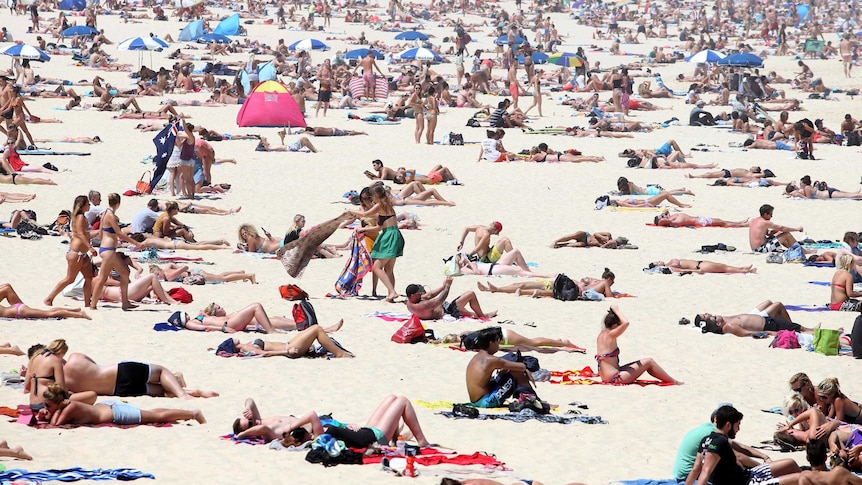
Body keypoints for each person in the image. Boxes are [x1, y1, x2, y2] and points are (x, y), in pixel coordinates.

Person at [686, 406, 801, 485]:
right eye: (737, 425)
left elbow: (696, 469)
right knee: (800, 478)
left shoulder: (706, 440)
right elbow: (705, 471)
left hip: (747, 475)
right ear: (728, 425)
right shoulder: (720, 442)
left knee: (790, 463)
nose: (738, 429)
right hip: (747, 483)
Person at [275, 395, 431, 449]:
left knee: (391, 398)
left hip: (366, 430)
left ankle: (396, 437)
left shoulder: (320, 433)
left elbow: (339, 430)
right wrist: (291, 427)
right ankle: (422, 441)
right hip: (376, 437)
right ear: (307, 436)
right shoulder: (319, 438)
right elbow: (311, 414)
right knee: (402, 401)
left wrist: (346, 425)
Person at [673, 403, 773, 481]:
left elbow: (739, 446)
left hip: (686, 473)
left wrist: (764, 457)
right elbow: (738, 456)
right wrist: (763, 468)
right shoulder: (713, 435)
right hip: (688, 475)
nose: (738, 428)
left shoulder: (709, 429)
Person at [61, 352, 217, 399]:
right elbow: (95, 365)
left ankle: (193, 392)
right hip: (119, 372)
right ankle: (183, 392)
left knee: (161, 392)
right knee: (162, 371)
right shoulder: (75, 358)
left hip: (118, 391)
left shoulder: (66, 386)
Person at [40, 384, 206, 426]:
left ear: (57, 402)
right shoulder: (66, 406)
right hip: (109, 407)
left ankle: (193, 413)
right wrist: (48, 413)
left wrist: (45, 416)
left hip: (117, 414)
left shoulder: (70, 407)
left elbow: (56, 424)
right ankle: (188, 413)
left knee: (156, 416)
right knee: (151, 412)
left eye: (48, 405)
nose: (46, 408)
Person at [596, 305, 681, 385]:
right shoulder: (611, 335)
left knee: (643, 363)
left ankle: (672, 380)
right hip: (614, 378)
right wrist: (616, 310)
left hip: (606, 376)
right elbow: (626, 323)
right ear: (615, 326)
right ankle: (673, 381)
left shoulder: (601, 335)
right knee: (649, 361)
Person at [348, 184, 403, 302]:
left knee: (376, 267)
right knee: (389, 269)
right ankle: (390, 294)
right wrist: (363, 229)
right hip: (394, 233)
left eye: (371, 196)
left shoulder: (380, 205)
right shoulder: (387, 204)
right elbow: (379, 227)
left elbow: (364, 214)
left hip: (389, 235)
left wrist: (349, 210)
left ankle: (392, 292)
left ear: (376, 195)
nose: (371, 199)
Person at [465, 327, 544, 408]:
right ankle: (533, 400)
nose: (498, 345)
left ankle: (527, 397)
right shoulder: (491, 360)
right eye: (497, 341)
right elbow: (521, 367)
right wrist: (525, 370)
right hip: (486, 401)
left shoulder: (477, 357)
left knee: (508, 371)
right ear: (491, 343)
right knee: (517, 373)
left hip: (476, 400)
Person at [89, 193, 140, 311]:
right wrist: (136, 243)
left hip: (107, 249)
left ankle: (125, 302)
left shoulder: (105, 213)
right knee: (102, 278)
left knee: (125, 273)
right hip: (109, 250)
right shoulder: (110, 215)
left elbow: (101, 232)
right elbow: (120, 233)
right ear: (118, 203)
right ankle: (93, 305)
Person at [44, 195, 97, 306]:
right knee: (70, 279)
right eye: (88, 204)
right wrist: (90, 247)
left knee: (89, 278)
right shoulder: (80, 217)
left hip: (81, 254)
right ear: (82, 206)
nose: (89, 205)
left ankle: (88, 303)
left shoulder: (80, 217)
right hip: (76, 253)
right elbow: (81, 234)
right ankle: (49, 298)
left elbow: (80, 234)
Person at [219, 322, 350, 358]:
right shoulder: (244, 347)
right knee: (316, 329)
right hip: (289, 349)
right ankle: (340, 354)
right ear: (232, 346)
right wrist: (287, 352)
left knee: (314, 328)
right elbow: (265, 353)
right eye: (231, 341)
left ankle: (338, 348)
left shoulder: (245, 345)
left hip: (288, 344)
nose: (233, 339)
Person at [694, 301, 818, 337]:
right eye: (709, 316)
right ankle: (809, 331)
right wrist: (769, 333)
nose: (708, 313)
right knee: (799, 329)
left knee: (772, 303)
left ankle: (793, 327)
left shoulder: (720, 323)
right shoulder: (729, 326)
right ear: (718, 323)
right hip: (767, 324)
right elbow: (747, 333)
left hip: (759, 320)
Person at [406, 277, 496, 320]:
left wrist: (443, 286)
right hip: (448, 310)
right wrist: (448, 286)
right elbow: (440, 299)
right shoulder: (422, 305)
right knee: (470, 294)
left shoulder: (410, 302)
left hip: (445, 308)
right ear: (413, 295)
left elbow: (429, 295)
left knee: (468, 312)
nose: (421, 294)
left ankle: (484, 314)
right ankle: (483, 316)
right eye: (419, 293)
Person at [0, 283, 90, 320]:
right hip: (17, 308)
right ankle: (74, 310)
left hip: (19, 312)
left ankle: (79, 314)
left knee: (49, 314)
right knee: (47, 312)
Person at [150, 263, 255, 285]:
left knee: (223, 279)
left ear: (159, 270)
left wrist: (183, 271)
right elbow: (171, 264)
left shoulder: (168, 275)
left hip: (196, 274)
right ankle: (240, 273)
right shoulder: (166, 269)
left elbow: (184, 268)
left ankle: (248, 276)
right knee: (219, 275)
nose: (158, 277)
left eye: (157, 274)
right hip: (196, 272)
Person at [654, 208, 749, 228]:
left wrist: (663, 214)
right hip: (700, 221)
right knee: (722, 223)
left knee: (721, 221)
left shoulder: (671, 218)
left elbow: (665, 210)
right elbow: (662, 221)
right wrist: (662, 218)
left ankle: (739, 222)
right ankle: (742, 225)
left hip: (699, 219)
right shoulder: (673, 221)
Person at [648, 259, 757, 274]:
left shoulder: (669, 262)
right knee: (723, 268)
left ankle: (742, 268)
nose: (659, 261)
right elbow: (682, 269)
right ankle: (744, 270)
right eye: (657, 262)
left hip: (700, 263)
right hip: (699, 266)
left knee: (722, 266)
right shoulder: (670, 266)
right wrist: (696, 271)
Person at [551, 231, 626, 249]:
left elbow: (602, 247)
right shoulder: (608, 235)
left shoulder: (609, 244)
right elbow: (595, 234)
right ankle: (556, 241)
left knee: (578, 245)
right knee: (572, 236)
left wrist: (606, 244)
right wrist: (602, 237)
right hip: (587, 236)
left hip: (586, 243)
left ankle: (560, 245)